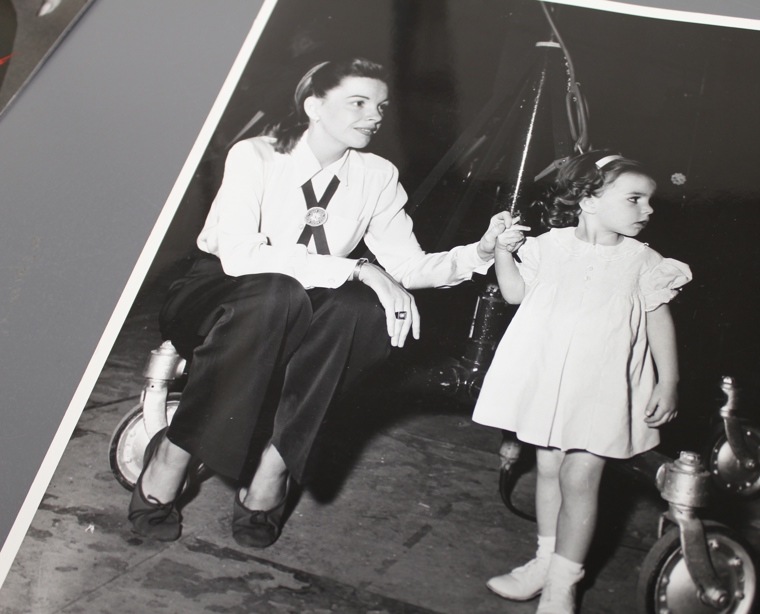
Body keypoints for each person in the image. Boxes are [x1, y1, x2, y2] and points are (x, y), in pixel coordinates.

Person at [128, 58, 512, 548]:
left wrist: (478, 253)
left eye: (380, 105)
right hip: (218, 293)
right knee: (277, 293)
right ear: (313, 105)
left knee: (361, 310)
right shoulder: (257, 155)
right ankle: (175, 453)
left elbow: (407, 268)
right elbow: (243, 256)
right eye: (358, 102)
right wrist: (358, 267)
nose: (374, 115)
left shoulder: (377, 174)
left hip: (307, 302)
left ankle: (274, 464)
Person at [472, 151, 692, 614]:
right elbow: (514, 293)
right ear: (589, 199)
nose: (647, 209)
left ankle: (564, 584)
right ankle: (544, 562)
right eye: (634, 198)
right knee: (549, 469)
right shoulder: (549, 247)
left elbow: (658, 323)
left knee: (580, 475)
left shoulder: (642, 261)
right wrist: (503, 252)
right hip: (551, 380)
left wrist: (668, 380)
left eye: (649, 200)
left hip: (604, 387)